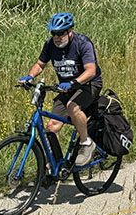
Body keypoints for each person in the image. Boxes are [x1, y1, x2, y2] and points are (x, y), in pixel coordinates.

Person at [18, 12, 103, 167]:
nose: (57, 37)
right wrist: (30, 76)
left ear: (70, 31)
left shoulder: (82, 43)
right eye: (54, 33)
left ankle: (86, 142)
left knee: (72, 107)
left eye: (61, 33)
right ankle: (54, 165)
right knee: (51, 127)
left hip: (89, 84)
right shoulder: (50, 45)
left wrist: (73, 82)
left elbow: (91, 71)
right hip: (66, 88)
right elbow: (40, 64)